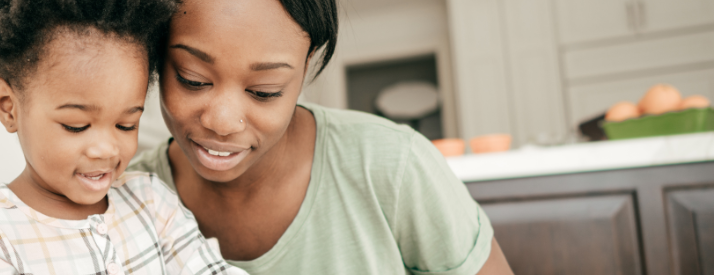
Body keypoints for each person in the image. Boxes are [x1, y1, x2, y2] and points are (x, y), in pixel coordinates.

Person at [128, 0, 515, 274]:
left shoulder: (394, 167)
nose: (223, 122)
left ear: (307, 65)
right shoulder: (119, 201)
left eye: (264, 90)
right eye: (193, 80)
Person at [0, 0, 247, 274]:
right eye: (76, 125)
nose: (105, 150)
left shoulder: (151, 201)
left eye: (126, 125)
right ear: (9, 107)